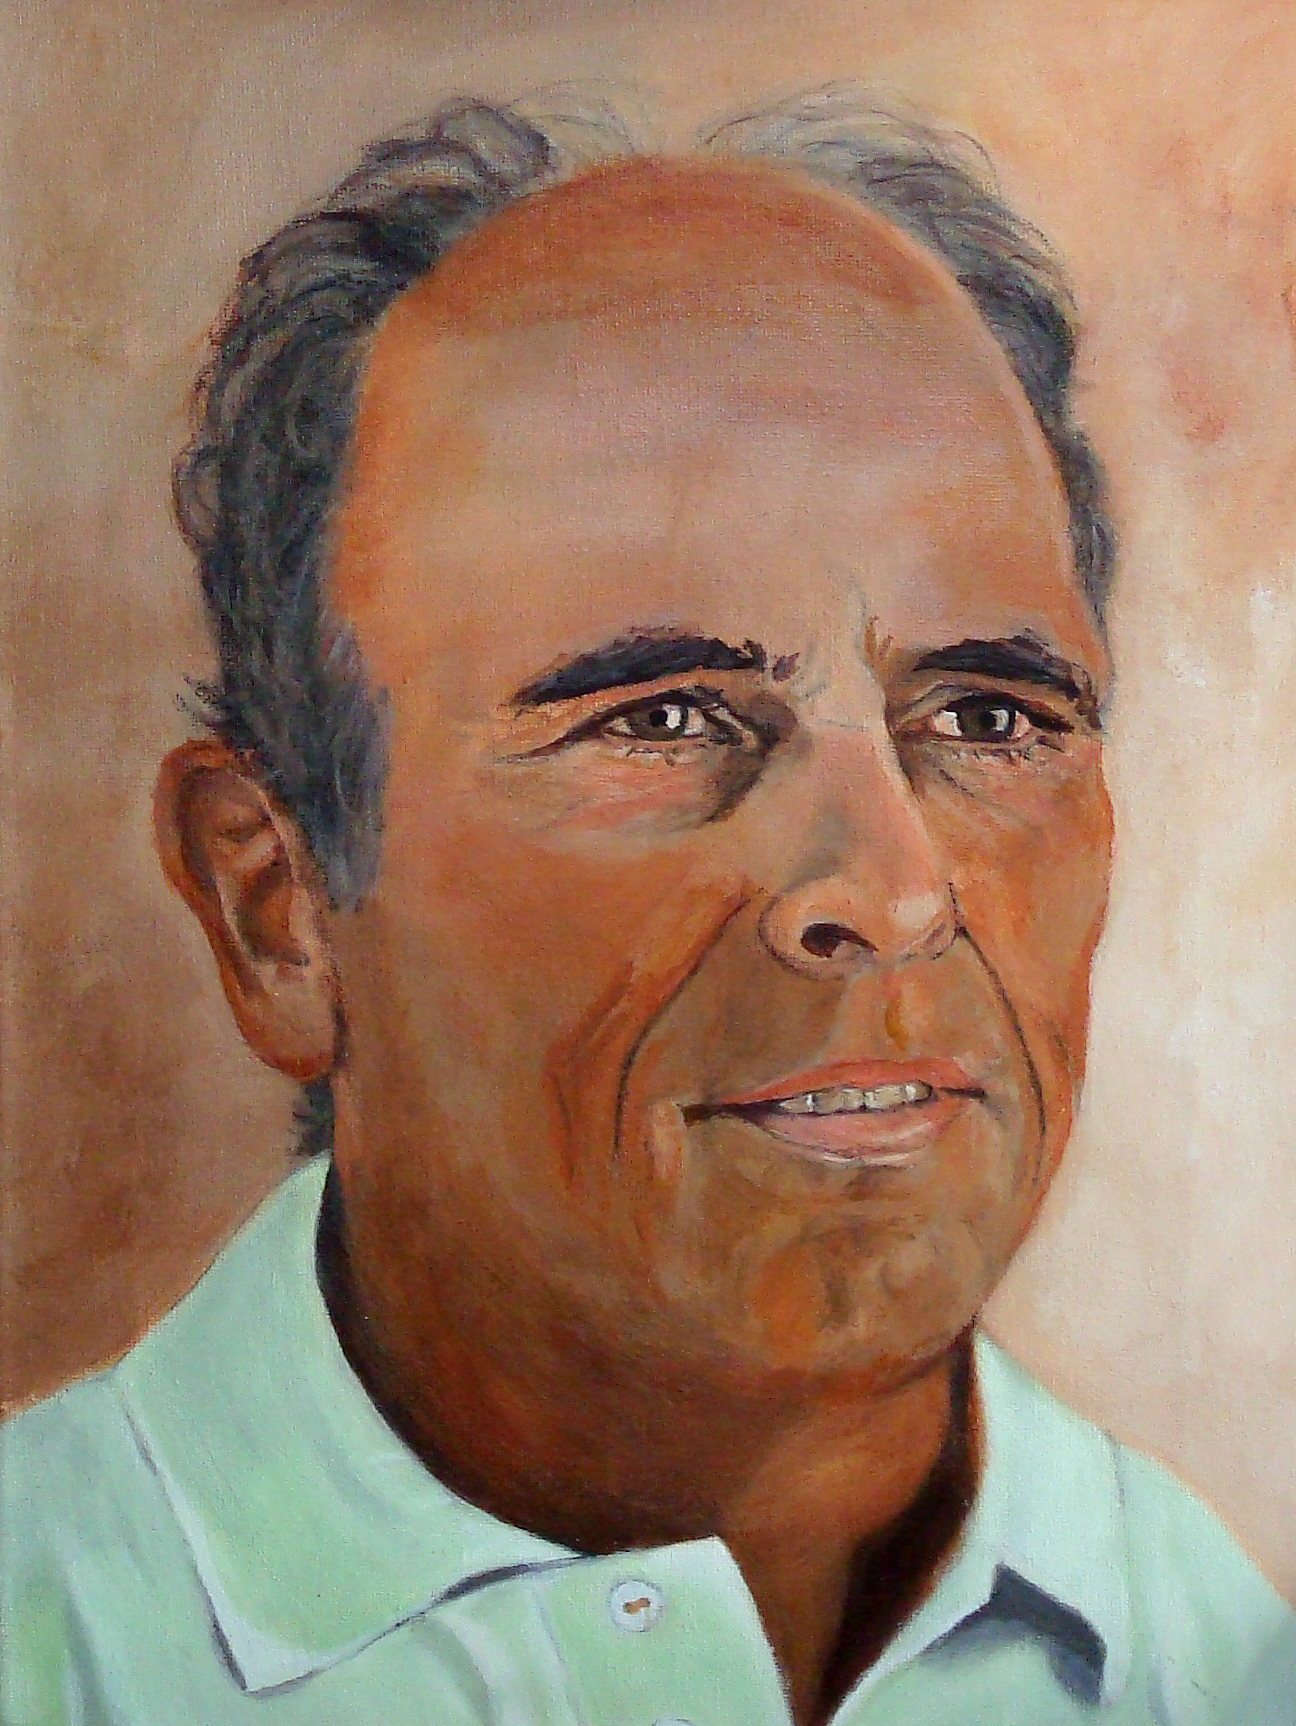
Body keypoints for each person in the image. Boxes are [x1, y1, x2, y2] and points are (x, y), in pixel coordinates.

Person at [2, 92, 1292, 1726]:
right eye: (665, 718)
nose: (895, 890)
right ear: (281, 907)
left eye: (987, 716)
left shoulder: (1220, 1658)